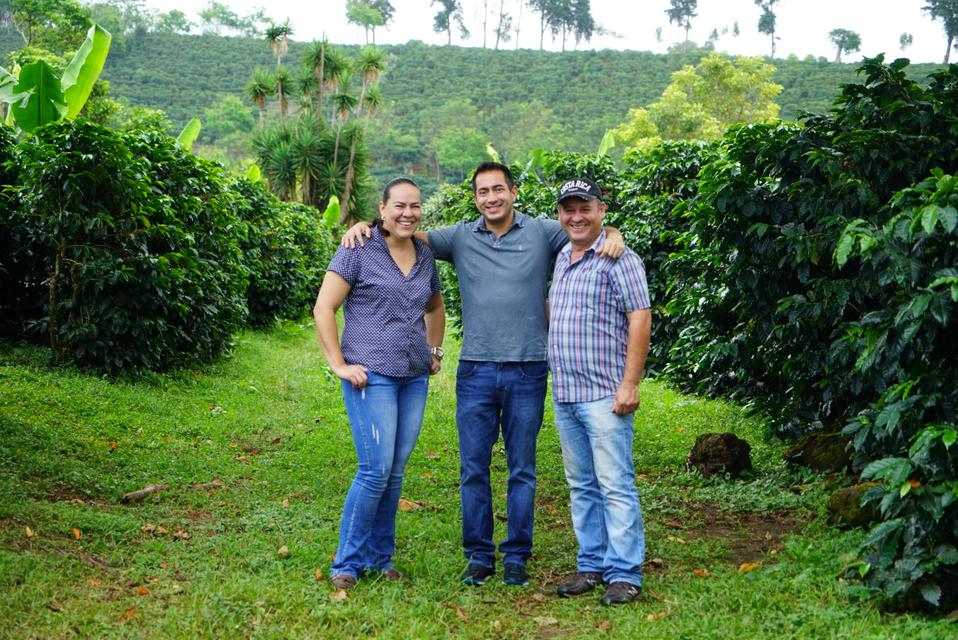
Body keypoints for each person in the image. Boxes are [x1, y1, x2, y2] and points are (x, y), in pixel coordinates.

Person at [342, 163, 624, 587]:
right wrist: (364, 225)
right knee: (473, 468)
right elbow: (404, 231)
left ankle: (516, 556)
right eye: (482, 192)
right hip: (474, 370)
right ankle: (478, 556)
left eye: (498, 189)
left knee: (522, 469)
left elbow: (585, 226)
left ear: (513, 192)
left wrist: (614, 233)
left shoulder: (543, 232)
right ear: (474, 198)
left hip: (528, 368)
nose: (490, 198)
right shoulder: (458, 237)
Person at [313, 178, 445, 590]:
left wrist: (435, 351)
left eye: (416, 206)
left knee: (396, 471)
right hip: (372, 374)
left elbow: (435, 306)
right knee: (375, 469)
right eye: (400, 205)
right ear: (383, 208)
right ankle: (347, 563)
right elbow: (324, 308)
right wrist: (338, 364)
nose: (408, 213)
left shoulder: (424, 255)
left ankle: (380, 558)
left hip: (414, 375)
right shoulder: (358, 248)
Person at [547, 177, 651, 606]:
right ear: (560, 214)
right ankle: (591, 565)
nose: (576, 216)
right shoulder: (560, 257)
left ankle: (625, 573)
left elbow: (640, 319)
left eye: (584, 208)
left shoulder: (619, 257)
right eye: (568, 209)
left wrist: (630, 383)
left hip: (605, 393)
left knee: (615, 485)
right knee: (582, 485)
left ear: (601, 210)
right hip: (566, 393)